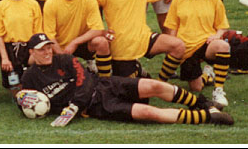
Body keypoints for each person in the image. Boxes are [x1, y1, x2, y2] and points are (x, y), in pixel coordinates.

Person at [20, 33, 234, 127]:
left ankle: (202, 103)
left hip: (105, 84)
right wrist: (27, 104)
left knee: (154, 85)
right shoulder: (30, 77)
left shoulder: (64, 59)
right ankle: (208, 117)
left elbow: (83, 80)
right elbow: (26, 100)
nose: (47, 52)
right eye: (41, 49)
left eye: (49, 47)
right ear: (32, 52)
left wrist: (74, 104)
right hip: (97, 106)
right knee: (148, 113)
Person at [164, 0, 231, 107]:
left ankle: (218, 90)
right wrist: (174, 46)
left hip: (206, 44)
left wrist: (216, 36)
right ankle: (207, 75)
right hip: (186, 49)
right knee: (196, 88)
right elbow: (172, 27)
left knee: (222, 46)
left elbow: (222, 26)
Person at [43, 0, 112, 77]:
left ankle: (105, 81)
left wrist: (75, 42)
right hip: (60, 46)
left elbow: (98, 29)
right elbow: (49, 36)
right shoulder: (51, 3)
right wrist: (62, 57)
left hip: (80, 43)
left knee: (101, 42)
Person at [0, 0, 43, 97]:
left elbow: (38, 34)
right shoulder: (1, 6)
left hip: (29, 48)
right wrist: (4, 58)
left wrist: (34, 54)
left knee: (30, 85)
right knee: (16, 91)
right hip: (10, 49)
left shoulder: (33, 5)